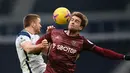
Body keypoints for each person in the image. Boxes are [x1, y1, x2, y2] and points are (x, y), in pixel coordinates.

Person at [36, 12, 130, 73]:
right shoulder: (54, 33)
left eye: (76, 21)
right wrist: (47, 40)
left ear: (80, 27)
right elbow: (37, 46)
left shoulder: (82, 41)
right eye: (72, 20)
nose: (72, 22)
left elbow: (102, 51)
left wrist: (123, 57)